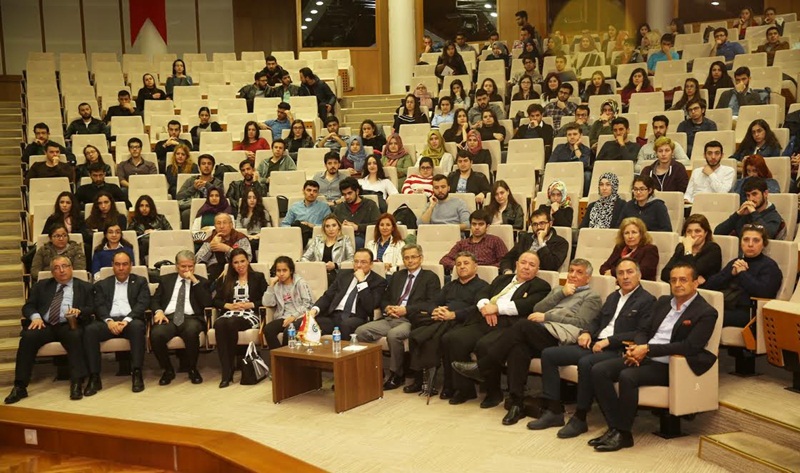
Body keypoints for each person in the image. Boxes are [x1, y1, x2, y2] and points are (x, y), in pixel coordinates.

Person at [590, 263, 718, 451]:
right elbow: (644, 330)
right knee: (599, 370)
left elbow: (690, 346)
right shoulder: (664, 302)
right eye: (673, 280)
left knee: (628, 376)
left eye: (683, 280)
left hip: (672, 364)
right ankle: (615, 427)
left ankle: (623, 434)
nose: (677, 284)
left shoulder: (706, 312)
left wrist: (647, 349)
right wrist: (639, 347)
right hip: (647, 355)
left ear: (695, 283)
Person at [451, 258, 601, 418]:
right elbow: (538, 308)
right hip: (542, 331)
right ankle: (517, 404)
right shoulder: (560, 289)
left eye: (579, 272)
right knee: (518, 349)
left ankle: (483, 366)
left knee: (522, 325)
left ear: (588, 278)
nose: (573, 275)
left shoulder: (592, 297)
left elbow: (581, 322)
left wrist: (546, 317)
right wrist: (560, 293)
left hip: (560, 337)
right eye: (571, 271)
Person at [528, 258, 655, 437]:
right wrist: (586, 332)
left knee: (586, 362)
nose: (625, 277)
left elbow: (641, 332)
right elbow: (596, 321)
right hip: (595, 343)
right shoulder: (613, 297)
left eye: (630, 272)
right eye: (621, 273)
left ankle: (580, 417)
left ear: (639, 275)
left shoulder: (647, 300)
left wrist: (609, 341)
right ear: (616, 277)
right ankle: (554, 410)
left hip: (616, 350)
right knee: (549, 354)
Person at [446, 252, 553, 406]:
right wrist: (484, 306)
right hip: (483, 319)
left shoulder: (541, 286)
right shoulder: (502, 279)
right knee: (454, 338)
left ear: (538, 269)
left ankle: (493, 393)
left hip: (508, 325)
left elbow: (526, 305)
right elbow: (483, 293)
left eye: (532, 265)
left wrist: (496, 308)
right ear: (516, 264)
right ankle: (465, 390)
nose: (526, 267)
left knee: (485, 345)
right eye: (523, 262)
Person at [4, 256, 93, 404]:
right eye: (57, 268)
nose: (61, 270)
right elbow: (28, 306)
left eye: (65, 266)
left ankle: (77, 382)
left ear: (71, 268)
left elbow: (91, 307)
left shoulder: (85, 287)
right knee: (28, 337)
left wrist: (80, 311)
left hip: (68, 325)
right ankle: (20, 386)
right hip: (44, 324)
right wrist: (36, 317)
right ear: (52, 272)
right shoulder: (42, 286)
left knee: (76, 335)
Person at [356, 244, 441, 390]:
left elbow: (431, 303)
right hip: (391, 317)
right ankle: (374, 370)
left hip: (411, 320)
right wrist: (387, 307)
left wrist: (406, 309)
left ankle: (397, 373)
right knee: (361, 331)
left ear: (421, 258)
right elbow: (385, 298)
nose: (410, 260)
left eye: (413, 257)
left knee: (394, 335)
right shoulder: (397, 276)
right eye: (406, 258)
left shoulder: (430, 277)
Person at [407, 251, 489, 396]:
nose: (462, 267)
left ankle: (449, 385)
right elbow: (434, 302)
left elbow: (477, 308)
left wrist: (453, 315)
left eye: (466, 263)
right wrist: (437, 310)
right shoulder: (451, 286)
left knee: (446, 338)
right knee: (416, 334)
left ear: (475, 266)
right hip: (444, 319)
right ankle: (421, 381)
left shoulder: (483, 286)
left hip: (466, 323)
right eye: (458, 264)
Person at [85, 250, 149, 395]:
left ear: (131, 265)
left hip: (130, 321)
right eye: (118, 264)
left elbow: (142, 303)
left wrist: (126, 320)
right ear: (112, 265)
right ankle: (94, 376)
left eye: (125, 264)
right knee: (90, 330)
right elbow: (99, 305)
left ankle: (137, 372)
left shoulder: (140, 281)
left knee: (138, 327)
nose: (121, 268)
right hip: (109, 321)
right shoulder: (102, 284)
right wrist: (109, 321)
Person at [150, 250, 212, 385]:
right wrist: (158, 311)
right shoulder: (166, 280)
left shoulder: (202, 282)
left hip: (191, 317)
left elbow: (207, 303)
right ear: (177, 266)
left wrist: (195, 281)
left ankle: (192, 369)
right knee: (156, 334)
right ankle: (168, 369)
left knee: (191, 331)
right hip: (169, 318)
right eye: (183, 266)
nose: (187, 270)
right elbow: (155, 300)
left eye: (190, 266)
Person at [705, 225, 782, 327]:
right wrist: (730, 274)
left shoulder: (769, 266)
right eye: (746, 240)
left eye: (756, 240)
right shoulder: (736, 262)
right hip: (726, 304)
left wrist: (743, 273)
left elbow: (764, 293)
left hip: (750, 312)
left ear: (763, 244)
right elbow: (709, 285)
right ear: (740, 243)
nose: (750, 244)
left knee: (707, 316)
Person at [211, 248, 267, 387]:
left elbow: (267, 299)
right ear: (232, 265)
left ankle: (229, 369)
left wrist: (251, 304)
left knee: (230, 323)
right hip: (231, 312)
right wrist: (228, 305)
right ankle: (226, 372)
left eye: (242, 261)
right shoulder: (228, 279)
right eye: (236, 262)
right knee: (219, 324)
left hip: (250, 315)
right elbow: (216, 300)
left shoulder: (258, 277)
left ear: (248, 261)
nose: (240, 265)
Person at [306, 248, 387, 338]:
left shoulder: (379, 281)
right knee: (305, 322)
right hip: (334, 316)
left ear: (371, 264)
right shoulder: (343, 274)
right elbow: (328, 296)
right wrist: (315, 309)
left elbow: (369, 307)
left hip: (356, 318)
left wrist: (362, 282)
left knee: (346, 325)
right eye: (356, 261)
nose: (359, 265)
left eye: (363, 262)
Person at [262, 256, 315, 349]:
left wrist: (293, 316)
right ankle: (278, 358)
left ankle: (286, 360)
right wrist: (271, 286)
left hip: (299, 316)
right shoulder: (277, 286)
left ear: (290, 271)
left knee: (289, 331)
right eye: (278, 271)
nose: (281, 274)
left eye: (284, 270)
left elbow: (309, 304)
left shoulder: (300, 283)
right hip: (283, 317)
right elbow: (267, 303)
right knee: (268, 329)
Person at [501, 208, 569, 273]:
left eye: (542, 223)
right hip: (517, 275)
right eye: (535, 224)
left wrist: (541, 242)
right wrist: (508, 271)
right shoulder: (526, 238)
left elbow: (551, 266)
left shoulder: (561, 243)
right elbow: (507, 258)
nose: (539, 227)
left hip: (539, 279)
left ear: (550, 224)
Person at [714, 177, 785, 239]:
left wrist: (754, 213)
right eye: (748, 195)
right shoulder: (744, 214)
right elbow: (718, 233)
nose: (751, 199)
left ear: (765, 193)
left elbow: (766, 235)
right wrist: (737, 215)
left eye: (754, 194)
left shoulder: (774, 216)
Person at [660, 214, 722, 286]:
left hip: (703, 291)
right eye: (689, 231)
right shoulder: (681, 248)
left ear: (705, 233)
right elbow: (664, 274)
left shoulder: (713, 249)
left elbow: (691, 273)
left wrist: (688, 249)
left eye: (697, 231)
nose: (693, 235)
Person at [439, 210, 508, 274]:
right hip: (465, 276)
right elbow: (444, 260)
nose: (477, 227)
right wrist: (462, 265)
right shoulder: (462, 244)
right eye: (474, 224)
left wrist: (486, 268)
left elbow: (505, 261)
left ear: (487, 226)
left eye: (481, 224)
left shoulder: (495, 241)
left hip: (488, 275)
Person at [196, 213, 251, 282]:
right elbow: (197, 260)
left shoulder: (240, 238)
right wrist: (211, 246)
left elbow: (248, 258)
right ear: (215, 226)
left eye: (225, 223)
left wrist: (228, 249)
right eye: (218, 223)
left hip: (236, 271)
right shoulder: (211, 239)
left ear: (231, 225)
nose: (221, 226)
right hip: (213, 274)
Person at [301, 214, 354, 285]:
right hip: (319, 273)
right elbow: (304, 258)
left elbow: (352, 259)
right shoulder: (318, 239)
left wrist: (335, 265)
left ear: (339, 227)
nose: (331, 229)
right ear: (324, 228)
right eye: (327, 226)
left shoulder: (345, 239)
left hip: (337, 274)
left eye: (334, 225)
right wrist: (315, 265)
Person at [332, 177, 381, 249]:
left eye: (349, 193)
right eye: (344, 194)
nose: (347, 197)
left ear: (357, 191)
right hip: (342, 237)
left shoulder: (370, 205)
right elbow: (332, 223)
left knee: (356, 242)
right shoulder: (340, 207)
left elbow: (377, 224)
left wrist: (358, 227)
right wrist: (340, 226)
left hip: (363, 237)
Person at [178, 154, 223, 228]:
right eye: (203, 164)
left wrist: (207, 185)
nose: (206, 166)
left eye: (209, 164)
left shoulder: (218, 182)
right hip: (193, 207)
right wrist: (193, 188)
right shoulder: (191, 180)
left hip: (212, 208)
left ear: (213, 167)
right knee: (186, 214)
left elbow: (221, 196)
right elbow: (179, 196)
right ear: (199, 167)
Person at [550, 123, 592, 195]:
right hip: (562, 173)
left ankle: (584, 199)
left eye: (575, 134)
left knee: (587, 175)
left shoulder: (586, 149)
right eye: (569, 135)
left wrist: (576, 147)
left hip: (577, 175)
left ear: (580, 135)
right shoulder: (559, 148)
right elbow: (550, 164)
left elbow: (583, 165)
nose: (572, 137)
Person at [130, 195, 172, 265]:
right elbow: (130, 236)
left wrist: (155, 232)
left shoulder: (161, 218)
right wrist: (143, 233)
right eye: (141, 206)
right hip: (143, 246)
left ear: (151, 207)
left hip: (160, 243)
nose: (144, 208)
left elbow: (171, 233)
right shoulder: (135, 221)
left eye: (147, 206)